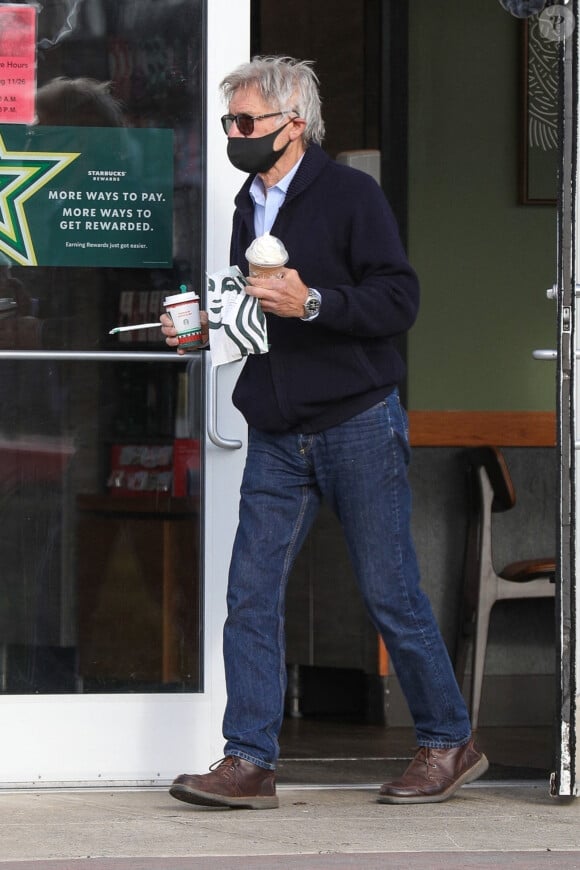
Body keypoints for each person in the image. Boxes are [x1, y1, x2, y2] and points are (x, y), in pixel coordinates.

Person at [162, 55, 488, 809]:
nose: (235, 136)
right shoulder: (251, 202)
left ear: (293, 125)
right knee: (251, 593)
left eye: (247, 123)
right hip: (279, 428)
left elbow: (397, 300)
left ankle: (448, 741)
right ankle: (249, 761)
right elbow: (260, 314)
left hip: (356, 422)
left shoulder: (350, 194)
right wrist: (211, 325)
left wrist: (313, 303)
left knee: (390, 591)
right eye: (229, 124)